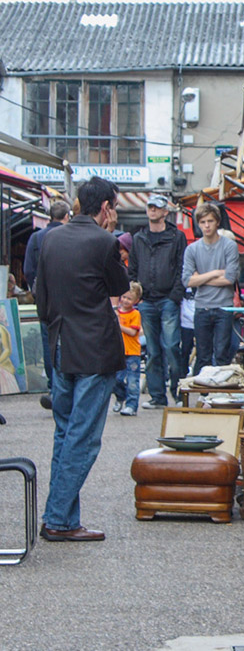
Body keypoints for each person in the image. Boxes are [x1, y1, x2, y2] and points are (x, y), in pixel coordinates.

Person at [35, 175, 130, 542]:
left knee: (65, 432)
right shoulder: (104, 241)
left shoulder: (51, 237)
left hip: (61, 343)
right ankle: (58, 518)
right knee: (84, 437)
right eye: (115, 207)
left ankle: (61, 516)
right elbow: (120, 287)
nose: (116, 214)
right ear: (105, 207)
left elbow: (41, 296)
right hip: (94, 348)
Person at [128, 194, 186, 408]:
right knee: (152, 351)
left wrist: (175, 295)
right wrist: (137, 295)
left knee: (171, 347)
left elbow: (182, 267)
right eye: (150, 207)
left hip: (168, 299)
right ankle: (158, 397)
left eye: (156, 207)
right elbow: (132, 269)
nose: (152, 210)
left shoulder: (177, 237)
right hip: (147, 301)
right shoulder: (138, 238)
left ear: (165, 212)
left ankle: (179, 394)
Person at [24, 197, 72, 408]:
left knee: (48, 343)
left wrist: (38, 293)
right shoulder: (67, 236)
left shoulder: (36, 238)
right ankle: (65, 388)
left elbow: (27, 270)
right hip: (66, 298)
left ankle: (54, 387)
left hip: (45, 299)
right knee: (68, 341)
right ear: (66, 217)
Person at [182, 203, 240, 371]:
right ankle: (204, 395)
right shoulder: (192, 249)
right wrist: (215, 273)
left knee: (222, 354)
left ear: (217, 222)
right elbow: (187, 281)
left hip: (224, 306)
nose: (206, 226)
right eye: (202, 222)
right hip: (202, 306)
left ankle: (219, 395)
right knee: (203, 355)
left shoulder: (229, 246)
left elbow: (230, 278)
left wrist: (200, 278)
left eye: (210, 221)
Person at [112, 281, 143, 416]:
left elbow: (132, 332)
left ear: (136, 300)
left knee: (132, 381)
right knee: (115, 379)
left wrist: (118, 325)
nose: (125, 300)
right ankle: (121, 396)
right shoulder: (116, 313)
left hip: (132, 352)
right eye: (123, 297)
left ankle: (131, 405)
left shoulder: (135, 314)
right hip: (118, 351)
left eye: (129, 298)